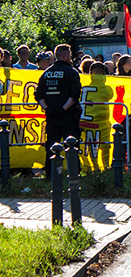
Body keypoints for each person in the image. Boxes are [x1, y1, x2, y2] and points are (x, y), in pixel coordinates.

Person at [35, 44, 83, 179]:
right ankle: (74, 173)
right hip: (68, 116)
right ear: (65, 56)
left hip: (51, 116)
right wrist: (63, 109)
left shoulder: (46, 73)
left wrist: (48, 109)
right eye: (69, 54)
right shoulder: (71, 72)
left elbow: (38, 95)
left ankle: (51, 175)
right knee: (72, 145)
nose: (71, 57)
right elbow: (74, 96)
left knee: (51, 145)